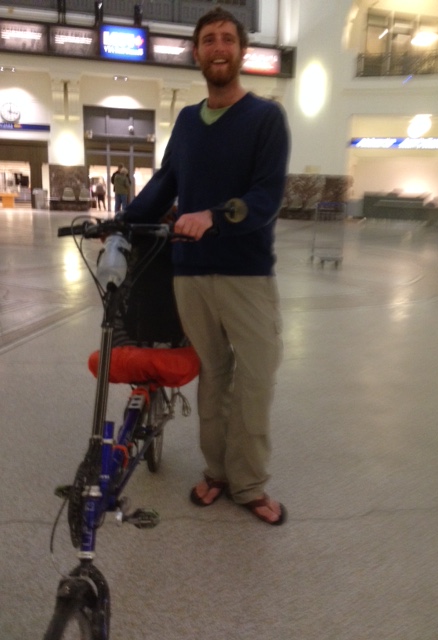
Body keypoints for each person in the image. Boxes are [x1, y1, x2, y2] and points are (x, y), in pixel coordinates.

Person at [122, 7, 290, 525]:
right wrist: (120, 222)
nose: (218, 48)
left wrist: (213, 216)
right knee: (214, 376)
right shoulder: (188, 121)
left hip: (246, 273)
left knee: (256, 379)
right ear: (196, 53)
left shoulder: (265, 118)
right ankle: (217, 472)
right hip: (190, 272)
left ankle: (249, 483)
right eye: (209, 40)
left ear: (241, 51)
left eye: (227, 39)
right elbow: (165, 182)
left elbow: (266, 196)